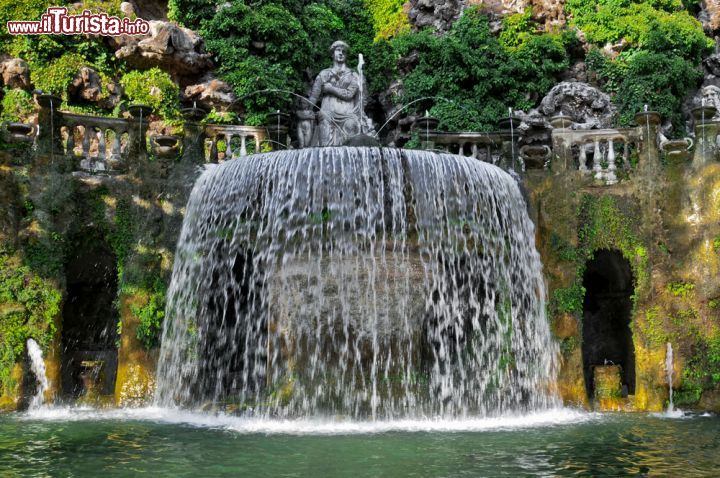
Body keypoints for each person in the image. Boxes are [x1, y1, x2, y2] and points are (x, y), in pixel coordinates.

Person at [308, 40, 366, 146]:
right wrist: (307, 111)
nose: (341, 53)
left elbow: (349, 94)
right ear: (332, 54)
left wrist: (331, 89)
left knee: (352, 127)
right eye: (338, 50)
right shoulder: (324, 74)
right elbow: (313, 97)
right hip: (327, 114)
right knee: (325, 133)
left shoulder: (353, 75)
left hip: (348, 115)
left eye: (344, 51)